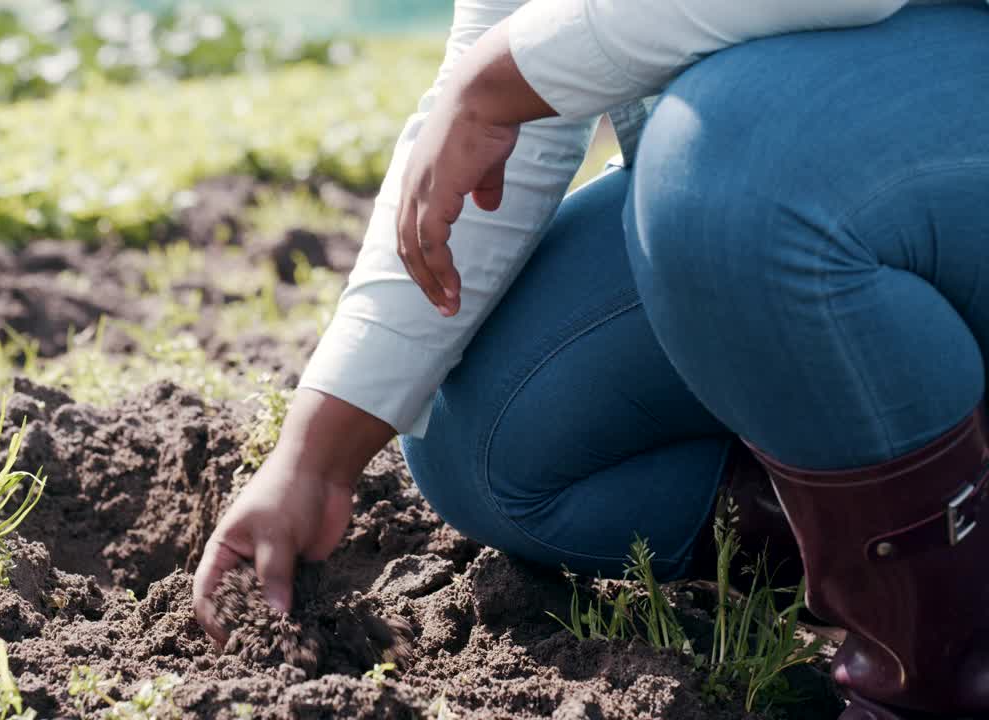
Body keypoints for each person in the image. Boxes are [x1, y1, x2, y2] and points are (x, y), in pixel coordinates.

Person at [193, 1, 989, 717]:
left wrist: (508, 72)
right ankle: (943, 540)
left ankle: (937, 675)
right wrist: (315, 457)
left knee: (725, 185)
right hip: (801, 156)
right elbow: (497, 102)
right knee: (489, 442)